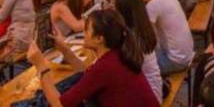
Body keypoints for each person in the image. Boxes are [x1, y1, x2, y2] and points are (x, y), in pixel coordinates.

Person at [26, 9, 159, 106]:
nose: (83, 33)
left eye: (86, 29)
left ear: (99, 39)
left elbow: (59, 105)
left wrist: (41, 66)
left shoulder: (106, 66)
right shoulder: (117, 53)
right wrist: (65, 50)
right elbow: (87, 75)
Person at [138, 0, 194, 75]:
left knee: (135, 60)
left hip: (174, 61)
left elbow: (147, 37)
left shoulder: (153, 5)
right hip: (187, 54)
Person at [115, 0, 163, 103]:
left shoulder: (130, 38)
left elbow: (119, 71)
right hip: (154, 88)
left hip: (146, 97)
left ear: (122, 13)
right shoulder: (144, 29)